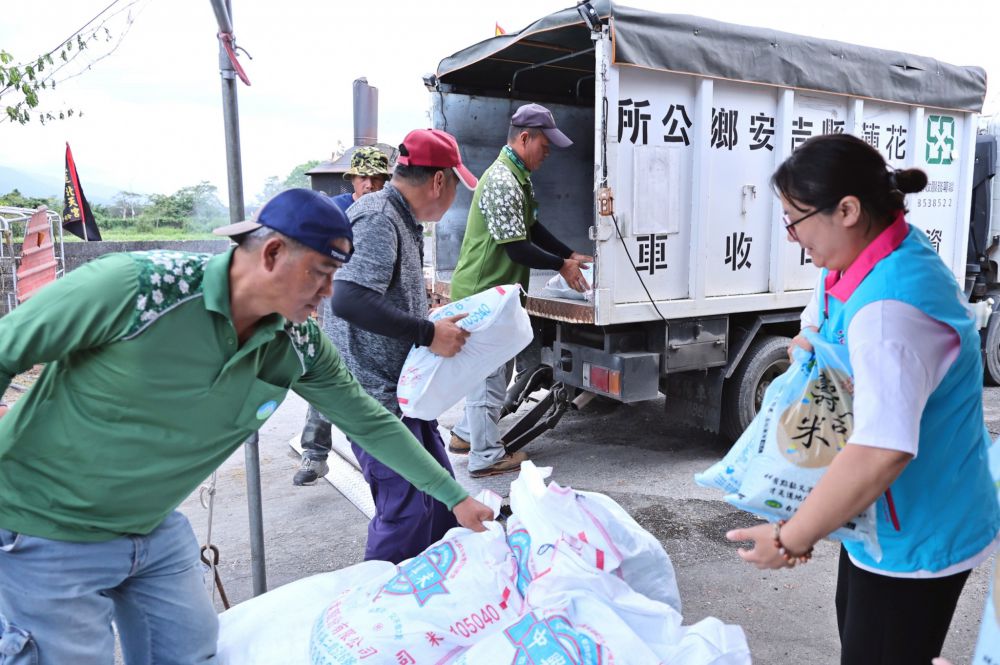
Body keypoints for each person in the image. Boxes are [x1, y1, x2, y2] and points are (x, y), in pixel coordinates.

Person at [0, 188, 492, 665]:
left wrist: (454, 496)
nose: (328, 293)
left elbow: (370, 421)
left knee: (192, 652)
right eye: (321, 274)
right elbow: (7, 349)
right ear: (273, 253)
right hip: (44, 528)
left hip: (150, 525)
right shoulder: (140, 290)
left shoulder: (297, 343)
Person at [725, 133, 1000, 665]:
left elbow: (882, 449)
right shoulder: (872, 255)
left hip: (921, 529)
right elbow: (823, 313)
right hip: (886, 521)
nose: (792, 236)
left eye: (794, 219)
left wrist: (790, 539)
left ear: (847, 210)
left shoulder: (890, 310)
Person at [307, 128, 478, 564]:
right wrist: (427, 333)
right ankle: (377, 611)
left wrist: (429, 320)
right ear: (439, 181)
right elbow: (347, 297)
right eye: (456, 184)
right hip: (373, 396)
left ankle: (445, 588)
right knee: (404, 511)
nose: (454, 195)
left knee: (441, 495)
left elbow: (381, 294)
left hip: (404, 391)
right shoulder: (380, 216)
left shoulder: (399, 217)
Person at [447, 103, 593, 477]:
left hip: (497, 293)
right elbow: (517, 246)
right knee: (489, 375)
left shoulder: (517, 176)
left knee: (497, 367)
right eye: (544, 145)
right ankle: (486, 455)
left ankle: (467, 434)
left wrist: (569, 252)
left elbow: (532, 228)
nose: (547, 153)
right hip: (484, 294)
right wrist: (561, 265)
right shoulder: (501, 181)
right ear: (524, 138)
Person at [294, 145, 392, 486]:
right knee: (325, 380)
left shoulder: (388, 214)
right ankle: (315, 455)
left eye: (378, 178)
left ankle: (384, 460)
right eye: (364, 177)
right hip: (335, 308)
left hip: (371, 313)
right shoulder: (337, 211)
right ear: (353, 180)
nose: (371, 184)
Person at [329, 146, 391, 213]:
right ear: (352, 179)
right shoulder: (334, 207)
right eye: (363, 177)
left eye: (376, 178)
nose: (369, 185)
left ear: (384, 182)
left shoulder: (391, 210)